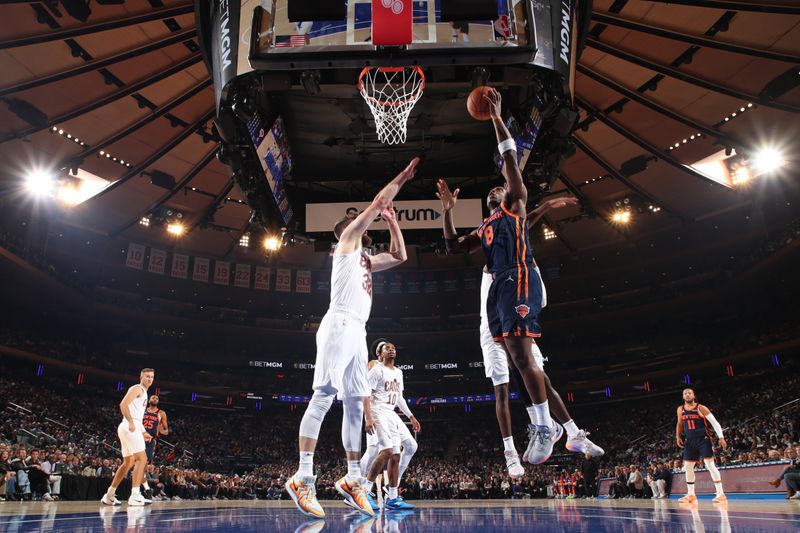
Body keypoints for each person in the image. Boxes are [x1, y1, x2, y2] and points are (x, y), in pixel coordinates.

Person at [436, 112, 603, 471]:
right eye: (492, 191)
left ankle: (545, 425)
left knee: (524, 359)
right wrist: (447, 212)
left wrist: (496, 117)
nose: (497, 189)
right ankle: (566, 430)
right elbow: (452, 247)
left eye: (501, 188)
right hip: (499, 289)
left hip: (520, 278)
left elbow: (510, 158)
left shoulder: (514, 207)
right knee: (519, 359)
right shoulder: (486, 226)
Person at [286, 157, 419, 518]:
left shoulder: (365, 261)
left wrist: (393, 223)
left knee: (353, 401)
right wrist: (401, 180)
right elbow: (376, 203)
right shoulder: (346, 243)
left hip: (358, 330)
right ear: (349, 229)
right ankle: (303, 476)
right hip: (340, 324)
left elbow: (400, 255)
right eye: (361, 225)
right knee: (324, 395)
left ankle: (353, 477)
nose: (365, 228)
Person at [362, 340, 420, 511]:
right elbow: (365, 394)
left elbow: (399, 398)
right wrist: (368, 417)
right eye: (387, 348)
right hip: (377, 411)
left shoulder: (399, 372)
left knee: (410, 446)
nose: (391, 350)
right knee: (385, 451)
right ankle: (364, 490)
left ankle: (392, 494)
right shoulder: (376, 369)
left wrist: (411, 416)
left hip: (391, 413)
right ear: (379, 354)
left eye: (393, 347)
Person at [101, 368, 155, 506]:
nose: (150, 379)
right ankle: (135, 495)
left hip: (130, 426)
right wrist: (131, 422)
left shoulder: (145, 393)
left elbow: (137, 416)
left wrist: (143, 431)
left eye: (152, 377)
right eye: (147, 376)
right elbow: (123, 404)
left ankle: (109, 495)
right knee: (142, 459)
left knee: (128, 462)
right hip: (129, 426)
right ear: (141, 377)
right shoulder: (137, 388)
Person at [676, 387, 728, 503]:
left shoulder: (701, 408)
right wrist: (678, 436)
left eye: (690, 393)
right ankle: (691, 495)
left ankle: (721, 494)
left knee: (709, 465)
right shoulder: (680, 409)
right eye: (685, 394)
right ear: (683, 397)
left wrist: (721, 437)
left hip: (703, 439)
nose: (688, 395)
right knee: (688, 467)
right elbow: (679, 424)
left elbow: (715, 423)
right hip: (689, 441)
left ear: (693, 396)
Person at [141, 394, 169, 499]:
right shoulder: (142, 409)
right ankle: (142, 490)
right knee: (137, 463)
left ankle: (143, 491)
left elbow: (167, 431)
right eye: (153, 397)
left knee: (144, 465)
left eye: (157, 398)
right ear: (149, 400)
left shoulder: (161, 413)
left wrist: (162, 431)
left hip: (151, 441)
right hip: (140, 438)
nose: (155, 399)